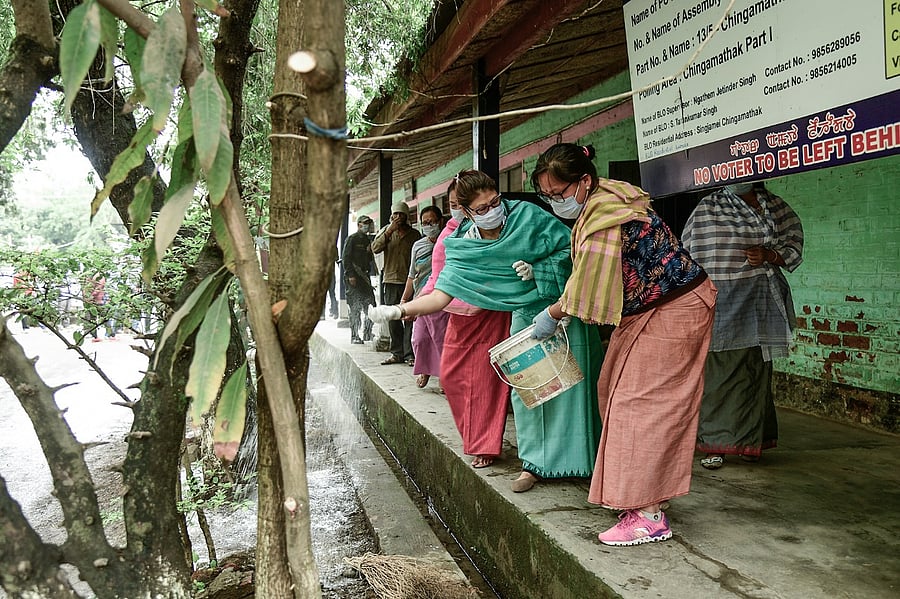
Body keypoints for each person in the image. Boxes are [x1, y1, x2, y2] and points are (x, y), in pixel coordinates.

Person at [529, 143, 717, 546]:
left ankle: (649, 515)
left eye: (559, 194)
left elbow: (584, 288)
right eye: (547, 196)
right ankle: (637, 494)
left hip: (676, 306)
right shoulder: (605, 200)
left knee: (642, 403)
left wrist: (553, 314)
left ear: (584, 182)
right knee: (610, 387)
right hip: (646, 310)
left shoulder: (604, 216)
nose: (555, 203)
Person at [370, 170, 603, 492]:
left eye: (496, 202)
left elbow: (573, 252)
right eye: (482, 208)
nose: (493, 210)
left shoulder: (527, 216)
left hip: (563, 309)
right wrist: (399, 309)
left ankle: (586, 463)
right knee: (531, 392)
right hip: (525, 316)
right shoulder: (463, 245)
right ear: (466, 212)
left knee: (574, 387)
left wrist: (540, 271)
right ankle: (535, 466)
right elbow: (441, 294)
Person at [681, 181, 803, 469]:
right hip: (722, 301)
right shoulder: (708, 209)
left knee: (755, 372)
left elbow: (792, 244)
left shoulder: (775, 206)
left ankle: (751, 441)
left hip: (761, 302)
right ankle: (715, 444)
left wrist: (769, 255)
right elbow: (689, 255)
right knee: (719, 373)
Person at [419, 183, 511, 468]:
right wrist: (417, 303)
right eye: (452, 204)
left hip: (491, 310)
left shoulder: (500, 230)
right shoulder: (450, 233)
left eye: (461, 204)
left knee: (485, 382)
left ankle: (485, 444)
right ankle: (473, 438)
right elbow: (438, 277)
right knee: (451, 377)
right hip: (457, 314)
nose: (456, 209)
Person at [401, 205, 448, 389]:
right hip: (421, 300)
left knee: (441, 340)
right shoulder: (418, 246)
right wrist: (405, 300)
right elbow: (412, 275)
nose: (428, 226)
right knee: (419, 339)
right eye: (424, 223)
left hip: (441, 301)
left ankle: (446, 376)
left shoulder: (448, 242)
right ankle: (425, 369)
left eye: (432, 222)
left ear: (440, 222)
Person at [371, 201, 421, 365]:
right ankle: (396, 353)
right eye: (395, 214)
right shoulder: (386, 231)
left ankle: (409, 354)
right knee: (393, 317)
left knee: (409, 317)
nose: (398, 217)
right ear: (391, 216)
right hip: (391, 280)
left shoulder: (414, 235)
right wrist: (389, 230)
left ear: (407, 217)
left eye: (401, 215)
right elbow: (375, 248)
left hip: (410, 282)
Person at [341, 215, 378, 344]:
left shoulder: (367, 240)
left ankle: (367, 333)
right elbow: (346, 258)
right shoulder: (352, 239)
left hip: (364, 277)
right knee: (355, 307)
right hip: (353, 278)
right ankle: (355, 335)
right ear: (359, 225)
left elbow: (369, 260)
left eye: (369, 223)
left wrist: (368, 252)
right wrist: (350, 275)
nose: (367, 225)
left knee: (371, 305)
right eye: (365, 223)